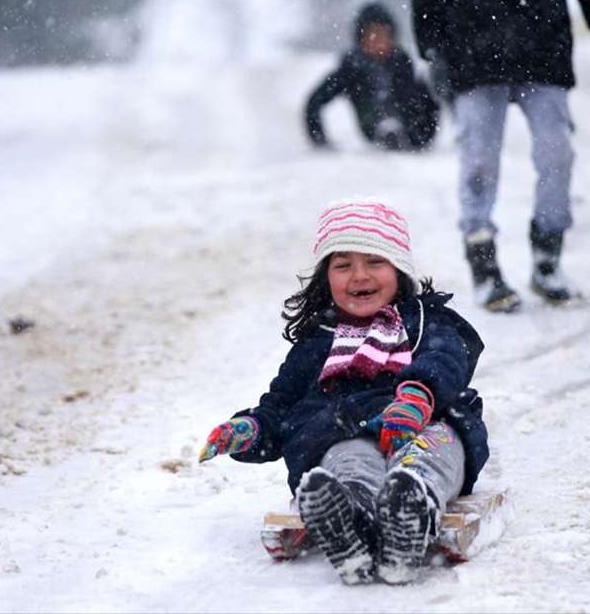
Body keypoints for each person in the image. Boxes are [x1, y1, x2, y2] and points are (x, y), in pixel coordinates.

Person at [197, 198, 488, 585]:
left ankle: (411, 510)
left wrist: (418, 395)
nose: (359, 275)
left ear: (399, 269)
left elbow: (446, 358)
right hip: (345, 432)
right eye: (343, 265)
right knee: (348, 462)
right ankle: (349, 521)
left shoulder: (425, 322)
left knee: (428, 455)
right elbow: (281, 406)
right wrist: (250, 429)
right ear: (325, 277)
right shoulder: (316, 342)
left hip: (422, 424)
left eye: (374, 262)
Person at [411, 0, 590, 312]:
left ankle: (548, 255)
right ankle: (483, 263)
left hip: (542, 46)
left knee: (557, 152)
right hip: (471, 53)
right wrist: (433, 48)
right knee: (479, 160)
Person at [304, 3, 440, 151]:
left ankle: (397, 130)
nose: (377, 41)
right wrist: (319, 140)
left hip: (411, 130)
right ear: (360, 39)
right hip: (371, 124)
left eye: (383, 35)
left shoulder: (402, 63)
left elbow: (429, 104)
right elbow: (315, 102)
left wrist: (423, 136)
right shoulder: (351, 68)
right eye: (371, 35)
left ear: (392, 37)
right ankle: (386, 128)